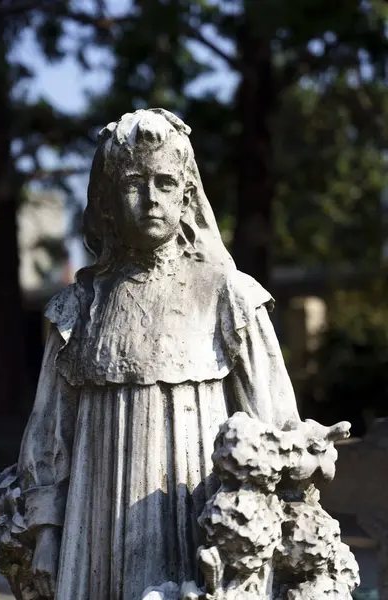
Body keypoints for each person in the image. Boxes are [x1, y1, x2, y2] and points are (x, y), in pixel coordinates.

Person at [18, 109, 300, 600]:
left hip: (197, 516)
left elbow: (274, 424)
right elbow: (50, 431)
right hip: (95, 522)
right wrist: (47, 532)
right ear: (106, 202)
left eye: (166, 183)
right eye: (133, 184)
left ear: (187, 196)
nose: (151, 198)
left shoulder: (228, 296)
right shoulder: (79, 308)